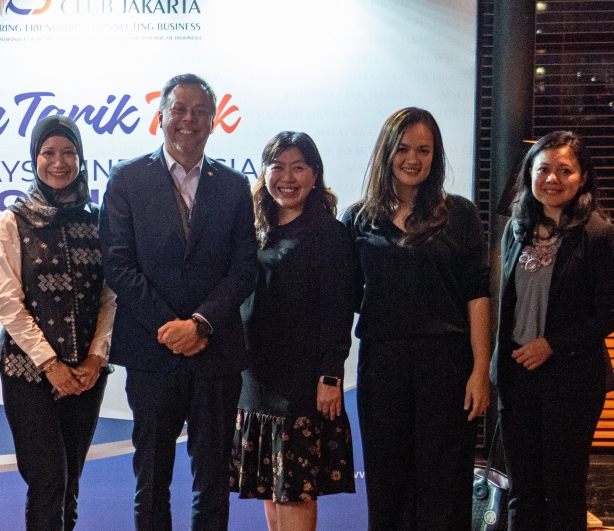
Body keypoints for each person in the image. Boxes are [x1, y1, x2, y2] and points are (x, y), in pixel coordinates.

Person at [100, 73, 258, 531]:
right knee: (151, 480)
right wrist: (174, 328)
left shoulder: (232, 185)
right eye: (179, 109)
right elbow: (119, 266)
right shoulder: (127, 179)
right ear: (161, 116)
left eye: (200, 111)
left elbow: (244, 267)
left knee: (212, 481)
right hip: (152, 354)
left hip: (217, 355)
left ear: (214, 121)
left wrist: (202, 324)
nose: (189, 119)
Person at [342, 107, 490, 531]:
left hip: (446, 366)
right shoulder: (357, 219)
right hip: (382, 366)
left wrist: (480, 371)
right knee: (388, 485)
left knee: (443, 487)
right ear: (387, 152)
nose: (413, 158)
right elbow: (343, 299)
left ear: (435, 156)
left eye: (424, 150)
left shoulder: (459, 215)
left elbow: (477, 295)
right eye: (403, 148)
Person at [0, 115, 117, 531]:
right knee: (48, 483)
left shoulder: (100, 220)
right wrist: (51, 365)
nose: (58, 162)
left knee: (70, 485)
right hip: (28, 374)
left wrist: (96, 359)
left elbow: (110, 296)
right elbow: (9, 304)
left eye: (68, 153)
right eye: (48, 153)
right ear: (35, 158)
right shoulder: (14, 221)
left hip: (87, 374)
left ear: (81, 160)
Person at [231, 132, 358, 531]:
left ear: (315, 174)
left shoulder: (330, 235)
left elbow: (338, 313)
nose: (287, 177)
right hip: (254, 379)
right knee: (270, 487)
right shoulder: (253, 229)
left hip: (302, 384)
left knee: (295, 489)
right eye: (278, 167)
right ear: (264, 173)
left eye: (298, 167)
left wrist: (330, 375)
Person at [492, 131, 614, 531]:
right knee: (522, 489)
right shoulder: (515, 229)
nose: (552, 179)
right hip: (517, 376)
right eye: (543, 169)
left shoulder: (598, 234)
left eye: (565, 170)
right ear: (529, 173)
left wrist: (551, 345)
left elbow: (606, 314)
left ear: (583, 177)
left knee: (563, 490)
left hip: (573, 378)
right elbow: (503, 306)